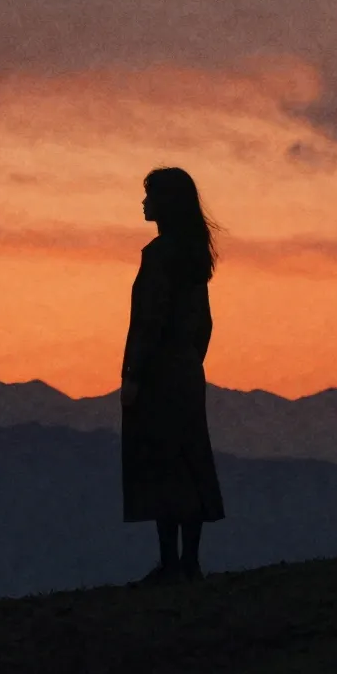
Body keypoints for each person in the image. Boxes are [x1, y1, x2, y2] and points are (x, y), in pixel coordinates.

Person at [121, 166, 226, 586]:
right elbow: (205, 323)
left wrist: (134, 373)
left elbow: (149, 321)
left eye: (150, 195)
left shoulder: (160, 255)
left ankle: (170, 565)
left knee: (163, 464)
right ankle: (190, 564)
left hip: (159, 375)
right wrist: (191, 361)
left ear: (166, 203)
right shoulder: (194, 257)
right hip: (187, 372)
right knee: (189, 459)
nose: (144, 202)